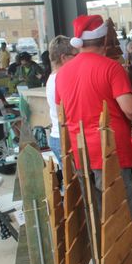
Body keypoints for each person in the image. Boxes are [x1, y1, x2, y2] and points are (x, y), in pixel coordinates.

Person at [55, 15, 132, 264]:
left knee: (95, 216)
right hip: (113, 155)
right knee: (126, 213)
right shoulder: (111, 68)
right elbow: (129, 108)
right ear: (105, 39)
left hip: (81, 156)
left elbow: (63, 112)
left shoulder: (62, 74)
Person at [46, 36, 77, 166]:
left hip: (59, 136)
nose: (78, 58)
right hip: (64, 138)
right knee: (73, 184)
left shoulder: (53, 78)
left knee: (71, 183)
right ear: (64, 58)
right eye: (75, 55)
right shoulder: (60, 79)